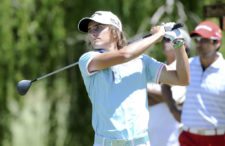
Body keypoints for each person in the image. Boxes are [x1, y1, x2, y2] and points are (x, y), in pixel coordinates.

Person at [77, 10, 189, 146]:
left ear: (115, 31)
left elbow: (182, 79)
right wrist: (158, 35)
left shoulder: (142, 61)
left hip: (140, 142)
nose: (92, 33)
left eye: (98, 28)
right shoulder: (88, 59)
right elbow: (125, 55)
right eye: (90, 29)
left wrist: (178, 42)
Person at [179, 20, 225, 146]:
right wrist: (173, 109)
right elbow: (165, 79)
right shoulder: (188, 64)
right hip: (188, 137)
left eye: (204, 40)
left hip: (217, 139)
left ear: (216, 43)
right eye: (197, 40)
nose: (199, 44)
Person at [147, 29, 191, 146]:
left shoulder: (189, 69)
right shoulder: (158, 67)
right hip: (152, 140)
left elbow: (175, 97)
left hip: (175, 139)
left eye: (169, 39)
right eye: (164, 39)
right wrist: (163, 96)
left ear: (184, 45)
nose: (165, 42)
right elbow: (143, 99)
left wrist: (144, 89)